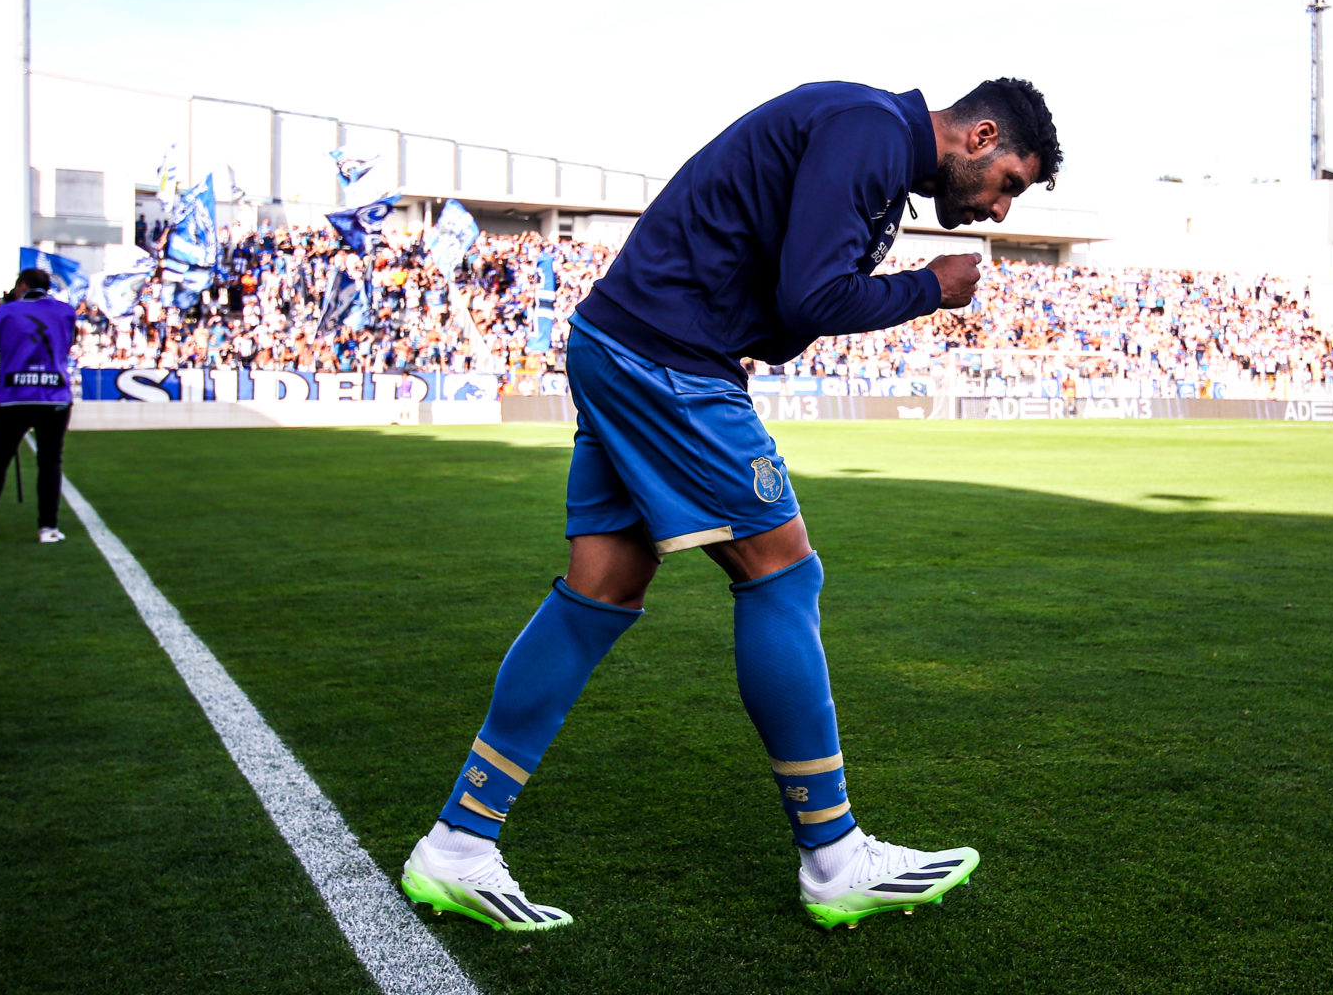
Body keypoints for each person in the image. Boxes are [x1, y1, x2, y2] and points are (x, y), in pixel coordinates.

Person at [400, 78, 1060, 933]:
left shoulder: (872, 143)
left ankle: (455, 845)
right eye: (1010, 182)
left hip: (628, 340)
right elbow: (809, 300)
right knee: (783, 574)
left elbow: (787, 312)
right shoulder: (869, 134)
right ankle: (834, 858)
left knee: (600, 590)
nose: (1002, 210)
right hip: (669, 357)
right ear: (979, 136)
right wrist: (929, 287)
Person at [0, 267, 79, 545]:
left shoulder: (7, 312)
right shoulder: (66, 311)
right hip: (54, 396)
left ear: (21, 286)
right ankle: (48, 527)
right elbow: (67, 345)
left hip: (14, 396)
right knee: (50, 462)